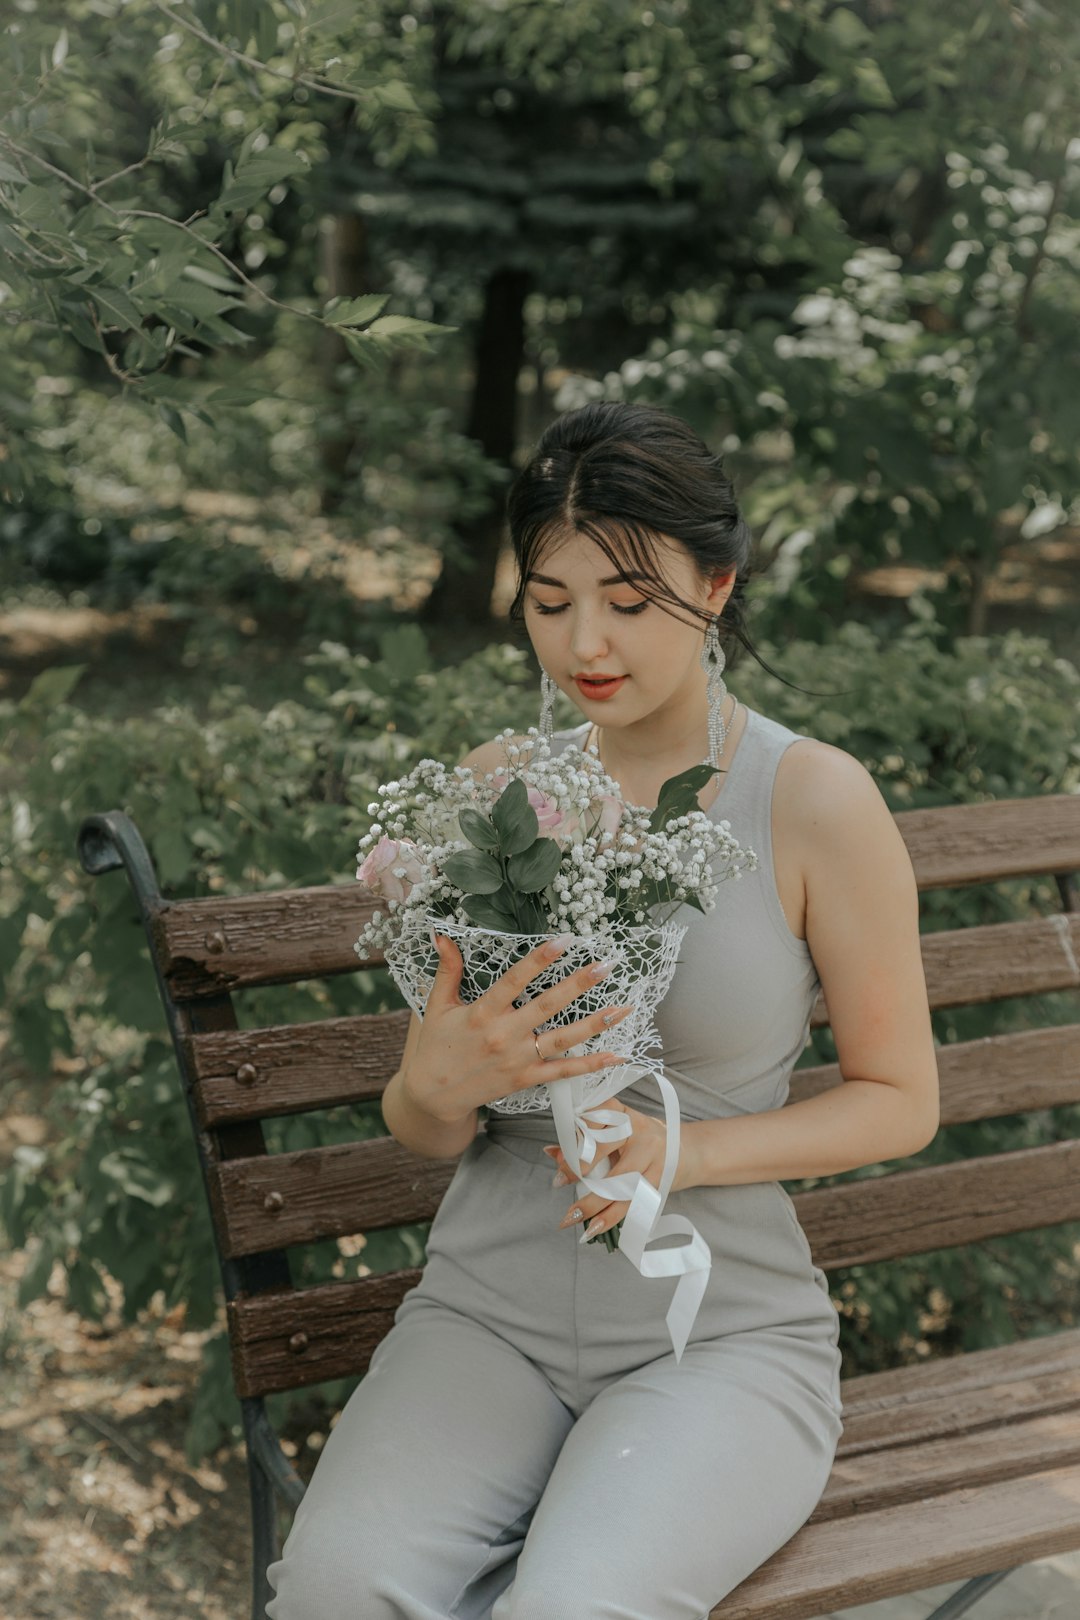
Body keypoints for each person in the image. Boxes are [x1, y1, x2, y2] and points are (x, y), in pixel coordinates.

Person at [265, 401, 940, 1620]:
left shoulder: (813, 800)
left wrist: (683, 1150)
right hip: (485, 1317)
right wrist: (432, 1085)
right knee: (334, 1591)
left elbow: (903, 1102)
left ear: (718, 587)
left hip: (716, 1335)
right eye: (549, 598)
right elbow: (429, 1126)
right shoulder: (488, 795)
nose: (587, 641)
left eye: (631, 601)